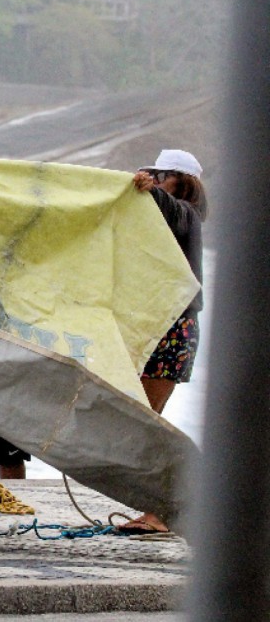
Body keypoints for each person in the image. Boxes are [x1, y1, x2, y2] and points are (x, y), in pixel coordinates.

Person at [119, 148, 207, 536]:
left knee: (148, 422)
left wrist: (147, 188)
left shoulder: (185, 215)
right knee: (144, 421)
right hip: (158, 328)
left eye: (160, 172)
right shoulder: (170, 218)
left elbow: (166, 206)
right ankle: (156, 508)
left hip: (173, 332)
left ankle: (164, 510)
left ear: (180, 180)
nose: (152, 176)